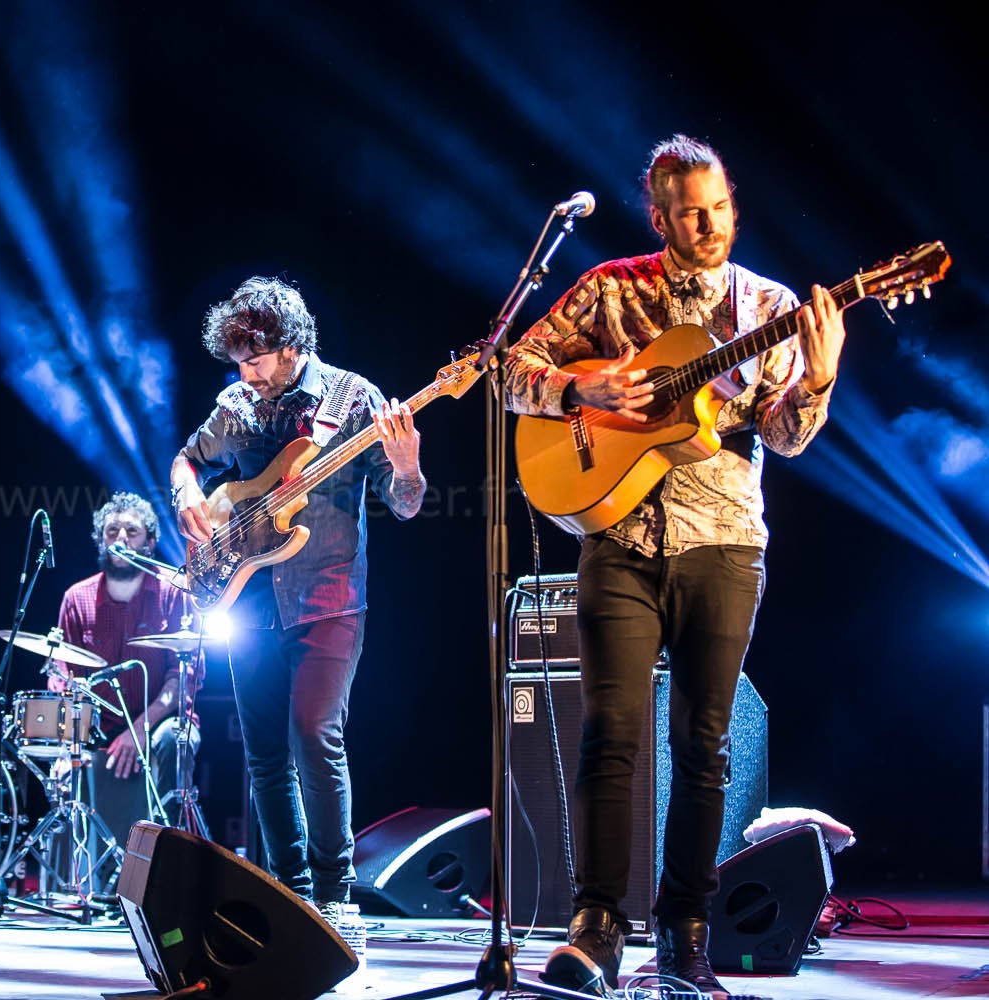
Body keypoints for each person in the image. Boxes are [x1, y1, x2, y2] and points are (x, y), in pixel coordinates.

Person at [503, 134, 846, 998]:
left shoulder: (765, 305)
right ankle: (595, 930)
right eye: (690, 212)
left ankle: (685, 937)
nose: (710, 224)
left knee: (703, 745)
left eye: (720, 207)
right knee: (609, 734)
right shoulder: (610, 288)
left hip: (724, 541)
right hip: (619, 537)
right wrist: (581, 390)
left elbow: (785, 437)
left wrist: (817, 379)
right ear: (658, 217)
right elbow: (510, 368)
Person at [170, 276, 426, 929]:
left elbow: (404, 505)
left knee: (314, 733)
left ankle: (335, 893)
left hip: (329, 594)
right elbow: (186, 461)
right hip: (246, 594)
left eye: (254, 360)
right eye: (238, 362)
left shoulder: (353, 398)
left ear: (290, 346)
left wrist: (407, 467)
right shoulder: (236, 404)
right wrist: (187, 492)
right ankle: (292, 892)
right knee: (263, 751)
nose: (245, 375)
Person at [53, 492, 203, 860]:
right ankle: (80, 874)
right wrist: (67, 744)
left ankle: (167, 860)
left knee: (177, 739)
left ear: (149, 542)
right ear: (100, 540)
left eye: (132, 531)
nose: (120, 538)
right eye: (112, 531)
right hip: (97, 728)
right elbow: (62, 677)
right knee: (61, 762)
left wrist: (139, 731)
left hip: (158, 723)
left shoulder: (174, 593)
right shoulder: (77, 598)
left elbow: (182, 678)